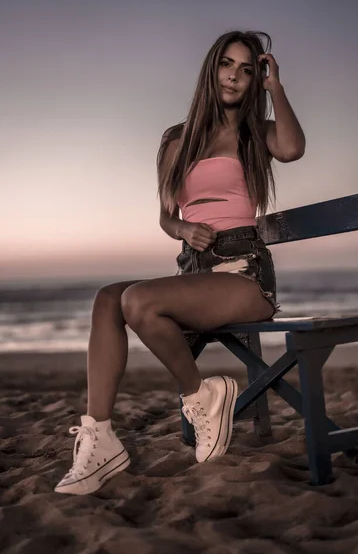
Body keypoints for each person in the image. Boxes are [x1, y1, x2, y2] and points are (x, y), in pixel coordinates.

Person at [54, 30, 305, 495]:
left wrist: (277, 90)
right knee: (109, 298)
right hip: (195, 269)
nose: (235, 76)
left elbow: (291, 149)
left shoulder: (254, 133)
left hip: (242, 271)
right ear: (211, 69)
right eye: (227, 64)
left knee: (139, 302)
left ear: (255, 80)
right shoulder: (177, 139)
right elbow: (168, 216)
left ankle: (200, 395)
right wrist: (185, 229)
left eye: (248, 70)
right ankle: (101, 437)